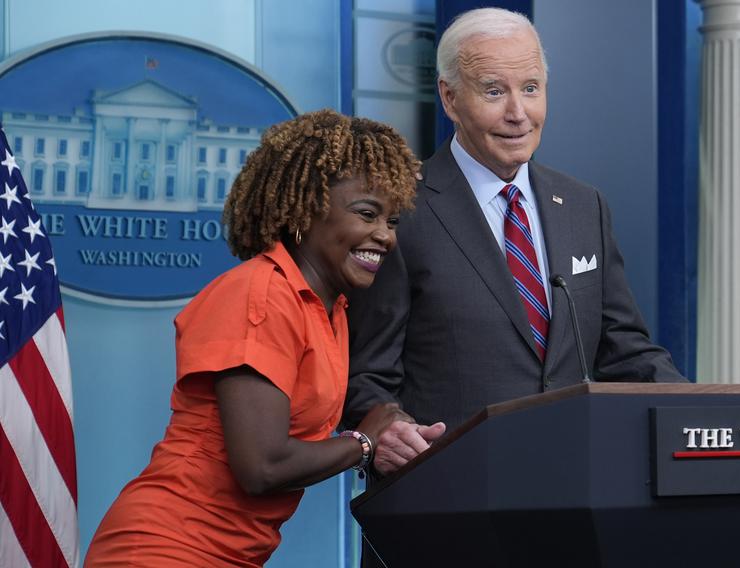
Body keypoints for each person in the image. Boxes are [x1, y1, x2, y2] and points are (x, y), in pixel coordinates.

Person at [343, 7, 686, 476]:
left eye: (530, 89)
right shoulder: (399, 210)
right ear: (449, 98)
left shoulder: (585, 206)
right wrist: (387, 429)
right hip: (447, 490)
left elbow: (625, 349)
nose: (517, 114)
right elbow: (364, 373)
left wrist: (698, 413)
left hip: (573, 486)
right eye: (493, 91)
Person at [84, 109, 420, 567]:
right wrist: (363, 441)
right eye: (367, 214)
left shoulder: (330, 307)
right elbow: (262, 467)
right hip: (164, 548)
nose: (384, 235)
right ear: (306, 209)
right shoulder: (260, 294)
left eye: (393, 220)